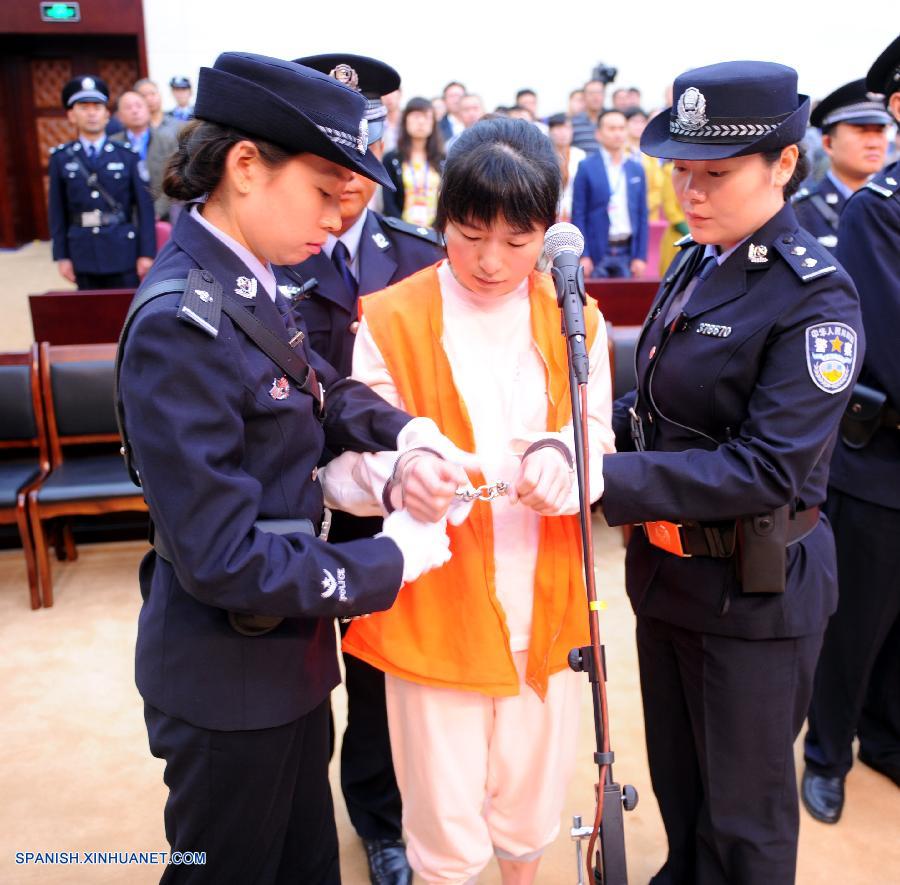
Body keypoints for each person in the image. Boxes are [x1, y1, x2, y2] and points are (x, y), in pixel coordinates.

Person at [117, 51, 471, 885]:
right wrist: (390, 557)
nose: (339, 214)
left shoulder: (246, 276)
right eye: (322, 189)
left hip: (285, 653)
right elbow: (222, 554)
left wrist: (406, 435)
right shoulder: (183, 321)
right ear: (246, 166)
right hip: (228, 672)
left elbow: (315, 388)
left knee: (305, 862)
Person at [325, 116, 615, 885]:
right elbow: (343, 465)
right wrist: (399, 475)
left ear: (549, 231)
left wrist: (564, 458)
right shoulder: (390, 316)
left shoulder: (576, 320)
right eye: (469, 234)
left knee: (528, 807)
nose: (491, 261)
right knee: (442, 823)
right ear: (441, 219)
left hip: (546, 602)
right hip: (435, 605)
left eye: (518, 242)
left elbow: (598, 438)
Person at [600, 61, 863, 884]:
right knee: (684, 797)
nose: (691, 192)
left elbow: (767, 467)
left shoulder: (815, 296)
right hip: (669, 576)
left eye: (715, 174)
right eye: (682, 171)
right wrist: (579, 437)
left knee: (744, 824)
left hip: (752, 592)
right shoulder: (697, 260)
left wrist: (606, 480)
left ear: (782, 163)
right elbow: (657, 407)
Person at [279, 56, 445, 885]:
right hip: (302, 505)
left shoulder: (417, 253)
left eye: (358, 155)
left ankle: (390, 816)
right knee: (309, 682)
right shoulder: (271, 257)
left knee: (390, 671)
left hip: (400, 502)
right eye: (326, 161)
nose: (345, 180)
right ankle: (343, 817)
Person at [802, 33, 900, 825]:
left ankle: (887, 739)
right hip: (880, 455)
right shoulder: (878, 209)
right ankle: (827, 753)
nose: (870, 140)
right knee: (857, 618)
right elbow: (890, 339)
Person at [48, 75, 156, 290]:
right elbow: (57, 211)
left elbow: (145, 208)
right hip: (82, 251)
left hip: (123, 250)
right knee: (89, 309)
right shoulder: (61, 158)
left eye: (97, 107)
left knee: (126, 309)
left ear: (107, 115)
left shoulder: (127, 155)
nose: (91, 113)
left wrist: (146, 253)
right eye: (83, 107)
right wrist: (62, 256)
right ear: (71, 115)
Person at [793, 79, 891, 251]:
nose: (874, 143)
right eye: (861, 130)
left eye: (880, 130)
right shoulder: (801, 212)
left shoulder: (892, 204)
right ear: (828, 143)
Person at [572, 109, 648, 278]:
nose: (617, 133)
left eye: (621, 128)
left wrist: (641, 256)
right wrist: (583, 254)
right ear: (598, 134)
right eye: (612, 129)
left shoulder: (636, 168)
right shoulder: (586, 167)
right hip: (597, 252)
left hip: (628, 252)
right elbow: (578, 214)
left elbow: (642, 214)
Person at [112, 90, 179, 220]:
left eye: (139, 106)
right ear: (119, 116)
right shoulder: (113, 145)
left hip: (163, 217)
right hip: (124, 218)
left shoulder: (167, 142)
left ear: (148, 110)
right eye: (128, 107)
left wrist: (157, 211)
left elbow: (175, 180)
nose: (135, 111)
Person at [382, 97, 445, 227]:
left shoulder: (443, 159)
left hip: (434, 231)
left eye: (426, 117)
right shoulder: (391, 159)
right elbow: (388, 202)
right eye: (416, 116)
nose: (421, 122)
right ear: (405, 120)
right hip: (400, 229)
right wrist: (402, 229)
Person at [547, 113, 585, 222]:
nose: (563, 133)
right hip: (550, 213)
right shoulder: (544, 155)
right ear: (550, 131)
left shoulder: (580, 155)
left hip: (575, 213)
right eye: (558, 128)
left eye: (567, 128)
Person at [571, 78, 605, 153]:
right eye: (591, 93)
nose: (596, 97)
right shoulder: (573, 122)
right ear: (584, 96)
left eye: (599, 93)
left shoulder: (613, 121)